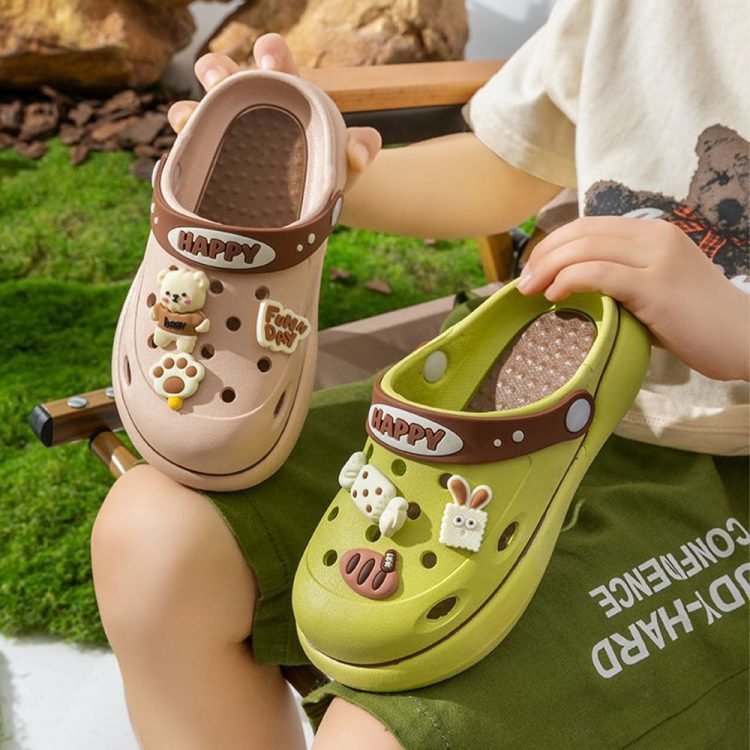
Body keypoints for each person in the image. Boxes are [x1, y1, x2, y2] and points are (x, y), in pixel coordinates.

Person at [91, 2, 749, 747]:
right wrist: (333, 176)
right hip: (527, 375)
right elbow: (510, 166)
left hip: (724, 468)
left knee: (381, 738)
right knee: (152, 541)